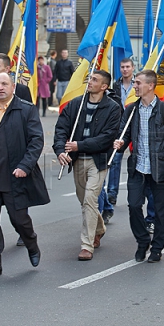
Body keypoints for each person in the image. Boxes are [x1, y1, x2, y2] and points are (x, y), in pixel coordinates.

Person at [0, 73, 49, 277]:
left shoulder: (25, 109)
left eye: (4, 84)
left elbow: (36, 141)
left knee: (19, 219)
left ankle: (31, 244)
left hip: (14, 176)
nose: (0, 88)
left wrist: (25, 165)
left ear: (13, 86)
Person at [113, 70, 164, 263]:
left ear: (150, 86)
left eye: (138, 83)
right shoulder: (131, 110)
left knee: (160, 210)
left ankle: (157, 248)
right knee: (134, 206)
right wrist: (119, 144)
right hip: (137, 167)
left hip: (160, 168)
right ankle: (143, 240)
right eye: (134, 83)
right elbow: (124, 135)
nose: (134, 86)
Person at [54, 70, 122, 261]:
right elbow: (61, 128)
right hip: (78, 160)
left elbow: (107, 137)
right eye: (90, 78)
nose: (89, 82)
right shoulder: (76, 104)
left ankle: (86, 245)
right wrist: (60, 149)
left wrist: (79, 145)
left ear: (104, 86)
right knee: (84, 199)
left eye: (94, 80)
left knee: (91, 198)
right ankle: (99, 228)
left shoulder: (113, 108)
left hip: (98, 161)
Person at [106, 57, 135, 206]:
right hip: (119, 127)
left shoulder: (138, 85)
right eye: (122, 67)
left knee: (136, 161)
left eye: (127, 67)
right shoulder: (115, 86)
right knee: (115, 160)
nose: (125, 69)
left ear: (133, 68)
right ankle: (112, 193)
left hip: (135, 125)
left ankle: (136, 195)